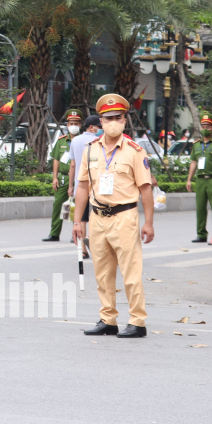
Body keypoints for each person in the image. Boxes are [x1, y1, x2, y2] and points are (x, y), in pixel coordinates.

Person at [73, 94, 154, 338]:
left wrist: (148, 222)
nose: (113, 122)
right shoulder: (91, 150)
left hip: (125, 216)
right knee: (103, 273)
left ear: (125, 119)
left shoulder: (134, 151)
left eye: (118, 117)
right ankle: (108, 319)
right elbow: (83, 187)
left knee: (131, 273)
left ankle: (137, 321)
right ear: (100, 121)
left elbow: (146, 189)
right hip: (98, 218)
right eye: (108, 118)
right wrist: (78, 222)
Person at [185, 112, 212, 244]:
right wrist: (189, 179)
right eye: (203, 126)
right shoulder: (197, 145)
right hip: (200, 179)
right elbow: (193, 162)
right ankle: (201, 234)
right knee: (200, 208)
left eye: (208, 127)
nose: (205, 129)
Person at [44, 109, 82, 242]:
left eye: (76, 123)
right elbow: (56, 159)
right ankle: (54, 233)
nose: (73, 126)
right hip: (63, 177)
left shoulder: (83, 141)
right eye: (71, 123)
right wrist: (54, 177)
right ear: (67, 125)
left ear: (80, 125)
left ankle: (75, 234)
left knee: (77, 206)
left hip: (78, 178)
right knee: (58, 205)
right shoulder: (61, 141)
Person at [68, 114, 101, 259]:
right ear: (92, 127)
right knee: (95, 217)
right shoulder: (99, 140)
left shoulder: (75, 140)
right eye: (99, 127)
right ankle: (91, 240)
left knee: (81, 218)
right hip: (96, 186)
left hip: (79, 185)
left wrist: (71, 186)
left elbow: (73, 164)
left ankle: (82, 249)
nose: (101, 130)